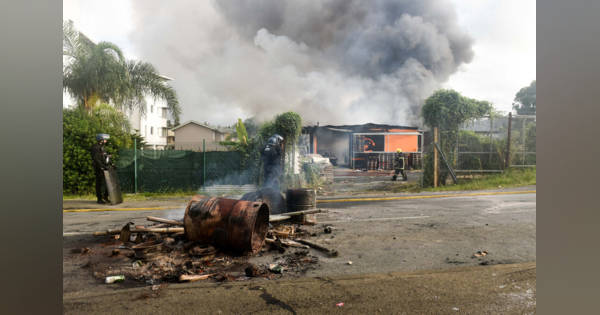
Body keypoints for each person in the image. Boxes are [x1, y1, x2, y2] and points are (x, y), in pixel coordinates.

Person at [91, 133, 111, 204]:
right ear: (101, 140)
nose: (106, 141)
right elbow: (96, 159)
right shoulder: (95, 147)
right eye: (105, 139)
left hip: (104, 167)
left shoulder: (102, 147)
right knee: (99, 183)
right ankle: (99, 199)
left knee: (107, 183)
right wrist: (101, 166)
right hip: (98, 168)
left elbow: (105, 157)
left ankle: (105, 197)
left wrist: (111, 164)